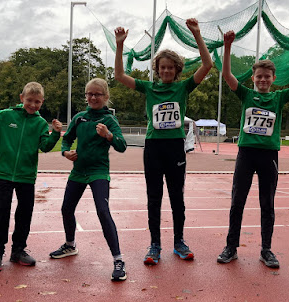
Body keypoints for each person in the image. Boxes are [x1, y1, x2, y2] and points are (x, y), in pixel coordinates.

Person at [217, 30, 289, 268]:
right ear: (253, 78)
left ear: (273, 78)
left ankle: (266, 250)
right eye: (259, 76)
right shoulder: (245, 94)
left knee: (267, 204)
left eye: (267, 77)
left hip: (268, 156)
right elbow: (227, 75)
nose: (262, 80)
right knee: (237, 202)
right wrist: (228, 46)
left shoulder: (279, 98)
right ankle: (231, 247)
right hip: (246, 154)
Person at [115, 18, 213, 265]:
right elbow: (118, 75)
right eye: (163, 68)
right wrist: (119, 46)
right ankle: (155, 245)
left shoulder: (183, 88)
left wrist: (197, 35)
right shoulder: (148, 88)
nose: (167, 71)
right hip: (154, 148)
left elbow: (208, 64)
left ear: (176, 70)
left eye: (171, 68)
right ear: (157, 70)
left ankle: (179, 241)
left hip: (175, 148)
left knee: (177, 198)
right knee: (154, 198)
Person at [0, 82, 62, 272]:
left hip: (26, 176)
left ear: (42, 102)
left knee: (24, 214)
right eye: (30, 100)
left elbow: (45, 146)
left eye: (38, 102)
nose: (33, 105)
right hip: (4, 173)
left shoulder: (40, 123)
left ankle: (18, 251)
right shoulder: (6, 115)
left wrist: (55, 134)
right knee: (2, 213)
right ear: (21, 98)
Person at [49, 78, 128, 281]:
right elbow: (66, 139)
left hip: (98, 172)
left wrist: (108, 135)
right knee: (66, 208)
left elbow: (122, 145)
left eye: (97, 94)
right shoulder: (79, 118)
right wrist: (65, 152)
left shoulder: (110, 120)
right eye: (89, 94)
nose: (93, 97)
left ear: (106, 97)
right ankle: (70, 245)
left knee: (103, 211)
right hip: (79, 171)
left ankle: (118, 259)